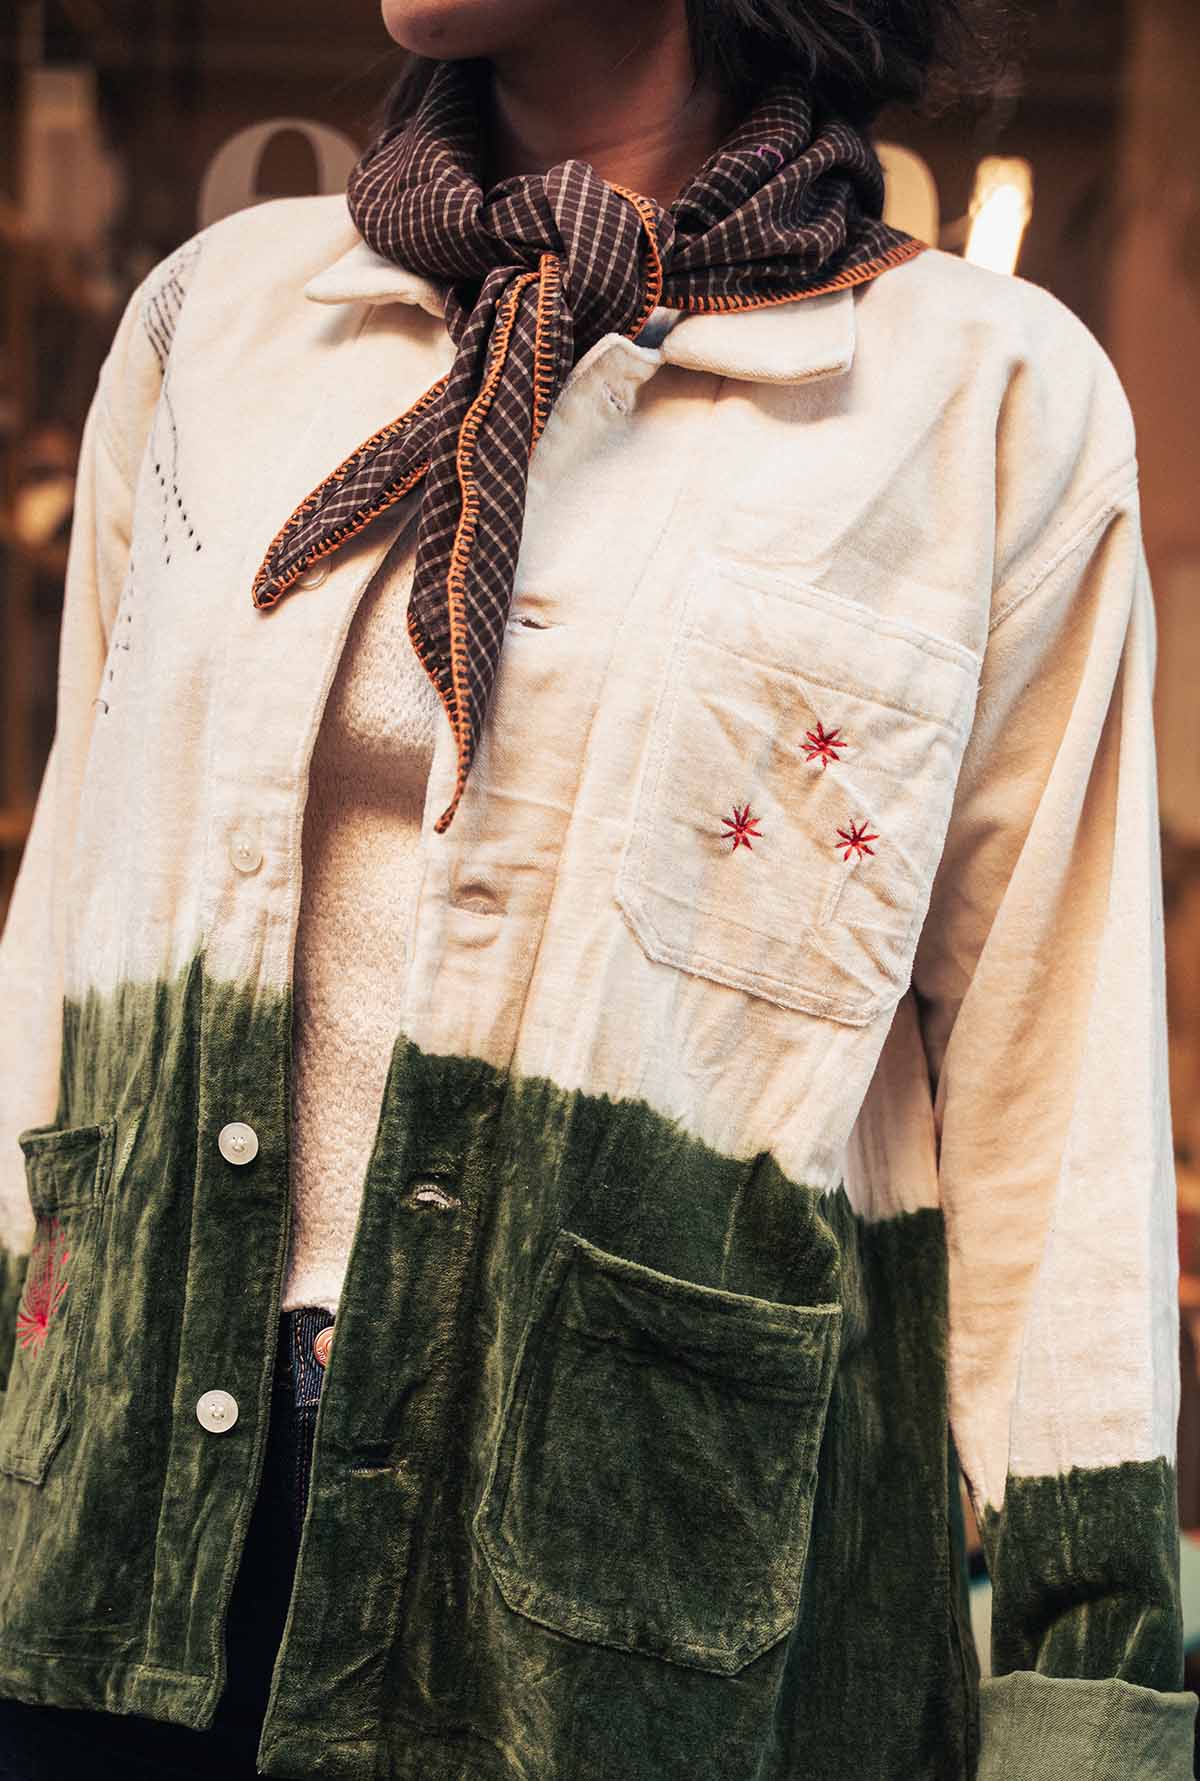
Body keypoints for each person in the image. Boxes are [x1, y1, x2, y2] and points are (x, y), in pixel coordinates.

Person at [0, 1, 1194, 1777]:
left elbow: (1056, 1088)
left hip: (636, 1605)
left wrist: (1085, 1679)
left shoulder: (982, 400)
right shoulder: (218, 323)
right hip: (125, 1536)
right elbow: (66, 949)